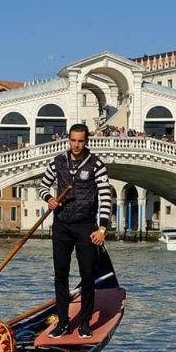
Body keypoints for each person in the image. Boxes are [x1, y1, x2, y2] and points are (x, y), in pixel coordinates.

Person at [37, 123, 111, 339]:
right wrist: (48, 198)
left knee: (87, 276)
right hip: (61, 225)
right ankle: (63, 323)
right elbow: (42, 185)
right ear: (68, 140)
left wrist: (102, 228)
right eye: (73, 140)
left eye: (80, 141)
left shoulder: (96, 164)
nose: (76, 145)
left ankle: (85, 323)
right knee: (60, 275)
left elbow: (106, 196)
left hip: (86, 226)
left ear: (86, 141)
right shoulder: (58, 162)